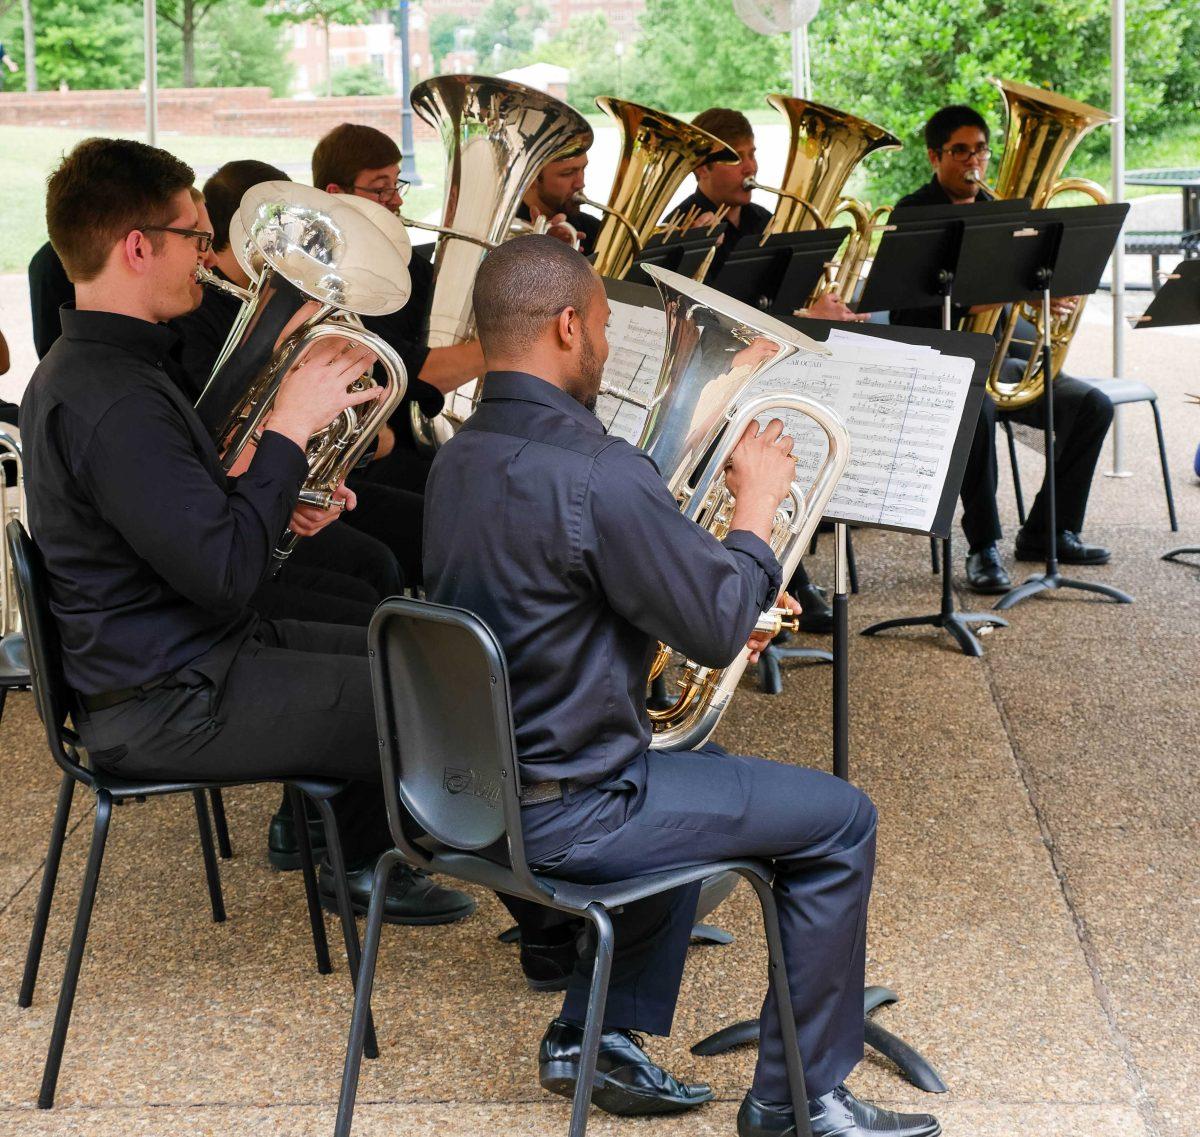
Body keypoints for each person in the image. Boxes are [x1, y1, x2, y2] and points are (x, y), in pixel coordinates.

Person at [423, 234, 940, 1137]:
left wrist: (709, 570)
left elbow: (579, 585)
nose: (608, 354)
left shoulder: (459, 456)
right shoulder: (597, 471)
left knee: (707, 767)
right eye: (604, 334)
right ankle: (800, 1101)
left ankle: (594, 1035)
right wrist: (754, 512)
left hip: (469, 796)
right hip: (575, 809)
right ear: (568, 325)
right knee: (839, 818)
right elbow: (710, 624)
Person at [20, 136, 473, 927]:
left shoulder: (104, 370)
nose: (207, 253)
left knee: (409, 645)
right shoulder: (113, 400)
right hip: (169, 696)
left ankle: (369, 849)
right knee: (422, 693)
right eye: (196, 235)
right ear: (137, 246)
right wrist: (290, 428)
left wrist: (280, 495)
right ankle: (392, 875)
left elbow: (191, 523)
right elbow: (227, 572)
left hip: (188, 651)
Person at [890, 104, 1114, 591]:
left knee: (1093, 406)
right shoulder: (914, 213)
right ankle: (983, 546)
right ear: (935, 156)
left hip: (996, 355)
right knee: (982, 409)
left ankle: (1047, 531)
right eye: (960, 151)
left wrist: (1047, 294)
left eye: (981, 150)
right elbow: (911, 310)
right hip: (938, 359)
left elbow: (1026, 286)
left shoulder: (1004, 212)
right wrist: (1006, 291)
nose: (974, 161)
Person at [670, 107, 865, 634]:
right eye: (738, 157)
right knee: (746, 447)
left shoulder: (762, 223)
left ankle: (788, 570)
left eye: (754, 152)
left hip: (771, 369)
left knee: (804, 435)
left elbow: (779, 298)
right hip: (715, 380)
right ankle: (781, 581)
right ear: (701, 169)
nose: (752, 166)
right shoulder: (684, 227)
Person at [314, 122, 487, 491]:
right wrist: (511, 344)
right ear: (336, 193)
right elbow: (416, 372)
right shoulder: (328, 279)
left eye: (396, 185)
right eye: (381, 189)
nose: (397, 200)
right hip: (370, 456)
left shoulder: (405, 262)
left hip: (420, 433)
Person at [515, 149, 603, 255]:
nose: (580, 184)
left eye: (583, 168)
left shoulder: (594, 230)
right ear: (532, 178)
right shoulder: (503, 231)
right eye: (568, 173)